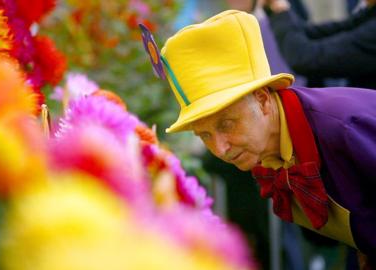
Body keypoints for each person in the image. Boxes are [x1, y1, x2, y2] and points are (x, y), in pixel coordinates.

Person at [143, 10, 376, 267]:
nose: (220, 149)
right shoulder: (263, 145)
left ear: (263, 100)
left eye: (227, 124)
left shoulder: (346, 128)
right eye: (204, 135)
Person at [262, 0, 376, 89]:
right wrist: (276, 9)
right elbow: (309, 33)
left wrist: (279, 10)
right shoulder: (369, 14)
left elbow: (305, 58)